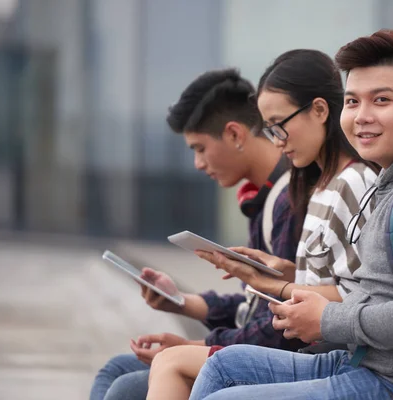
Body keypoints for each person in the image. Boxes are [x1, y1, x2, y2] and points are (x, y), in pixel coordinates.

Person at [189, 29, 393, 400]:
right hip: (366, 361)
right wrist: (287, 279)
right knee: (223, 366)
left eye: (381, 100)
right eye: (352, 102)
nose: (362, 116)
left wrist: (326, 319)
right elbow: (376, 289)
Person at [146, 49, 379, 400]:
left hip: (330, 355)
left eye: (279, 125)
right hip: (317, 351)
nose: (277, 139)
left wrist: (279, 286)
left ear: (319, 110)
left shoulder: (353, 184)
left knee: (173, 367)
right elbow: (330, 284)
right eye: (270, 129)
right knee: (167, 366)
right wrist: (276, 276)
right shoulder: (318, 187)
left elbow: (361, 297)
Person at [89, 68, 304, 400]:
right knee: (118, 369)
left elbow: (279, 327)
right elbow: (255, 306)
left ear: (234, 134)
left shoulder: (287, 201)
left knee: (124, 387)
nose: (197, 164)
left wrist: (192, 346)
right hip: (253, 349)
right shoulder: (261, 198)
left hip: (272, 362)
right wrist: (181, 302)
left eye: (200, 148)